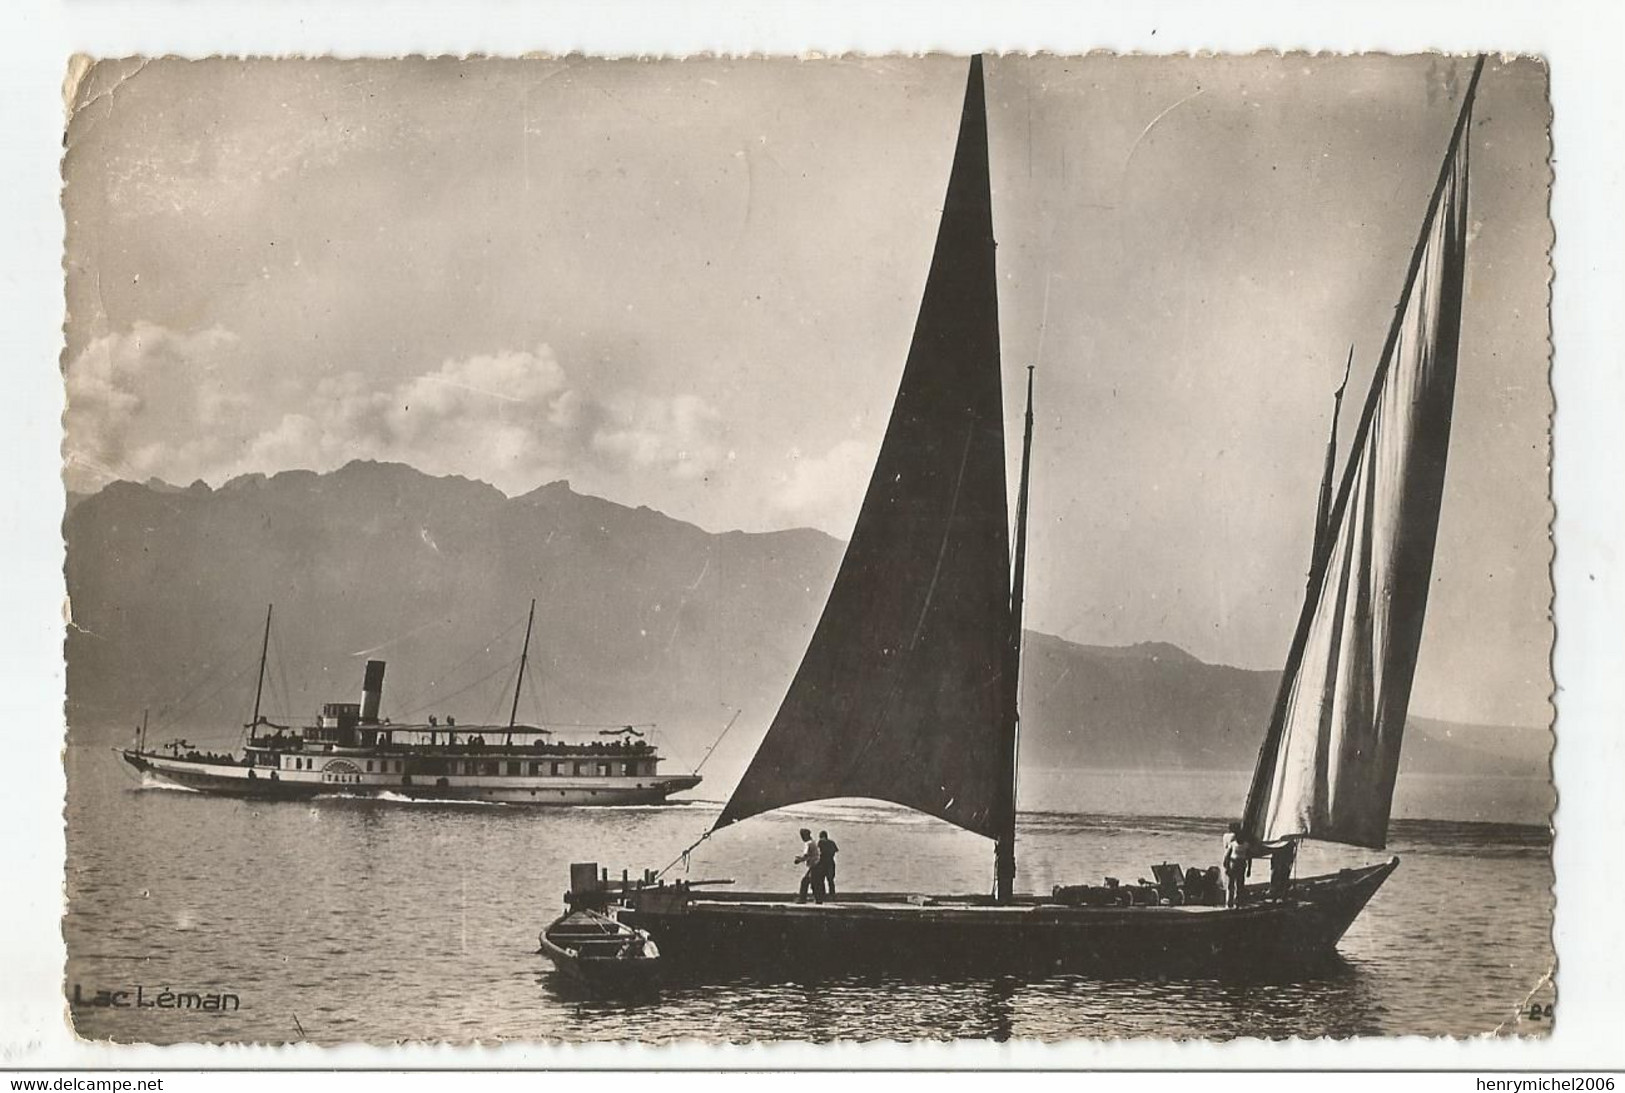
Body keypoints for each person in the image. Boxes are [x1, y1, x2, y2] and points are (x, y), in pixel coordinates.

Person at [1222, 822, 1250, 908]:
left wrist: (1249, 869)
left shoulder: (1246, 845)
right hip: (1233, 863)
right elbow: (1227, 856)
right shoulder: (1233, 844)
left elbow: (1249, 858)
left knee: (1239, 883)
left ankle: (1238, 901)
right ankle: (1230, 901)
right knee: (1231, 884)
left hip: (1241, 864)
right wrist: (1226, 866)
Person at [794, 828, 823, 904]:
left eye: (802, 836)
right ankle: (818, 899)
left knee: (807, 882)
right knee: (813, 883)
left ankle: (803, 899)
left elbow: (806, 856)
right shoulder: (813, 842)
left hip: (814, 866)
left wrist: (799, 860)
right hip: (817, 865)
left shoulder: (808, 844)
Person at [816, 830, 839, 898]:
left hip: (823, 863)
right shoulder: (832, 842)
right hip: (830, 862)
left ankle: (823, 894)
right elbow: (835, 851)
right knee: (830, 879)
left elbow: (819, 852)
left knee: (821, 879)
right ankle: (832, 894)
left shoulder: (820, 842)